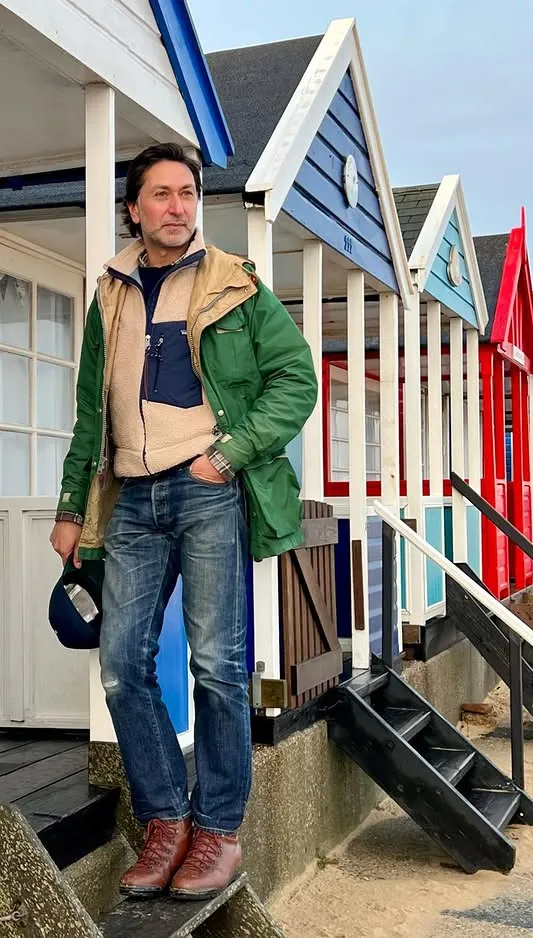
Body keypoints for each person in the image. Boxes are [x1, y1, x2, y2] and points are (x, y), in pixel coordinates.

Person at [49, 144, 317, 901]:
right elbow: (90, 411)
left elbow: (295, 380)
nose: (177, 206)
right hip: (130, 498)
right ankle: (166, 820)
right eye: (161, 194)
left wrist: (228, 456)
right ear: (133, 208)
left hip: (206, 491)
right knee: (121, 666)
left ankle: (219, 830)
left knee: (217, 666)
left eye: (188, 193)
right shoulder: (110, 293)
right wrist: (72, 507)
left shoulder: (236, 285)